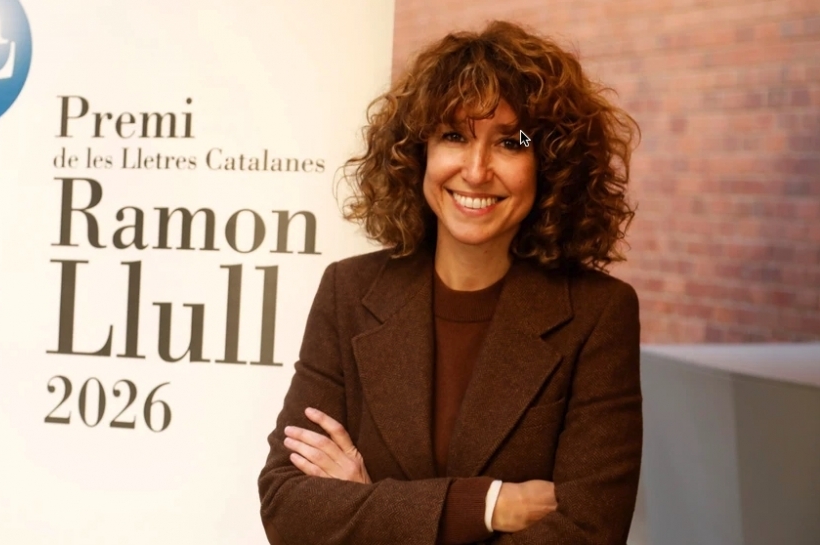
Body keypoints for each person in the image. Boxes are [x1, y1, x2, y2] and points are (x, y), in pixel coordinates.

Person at [258, 19, 642, 545]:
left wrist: (371, 507)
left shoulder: (599, 314)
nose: (477, 170)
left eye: (511, 142)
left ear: (550, 164)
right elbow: (287, 507)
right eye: (454, 136)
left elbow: (589, 531)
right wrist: (486, 505)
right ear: (418, 153)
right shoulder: (349, 291)